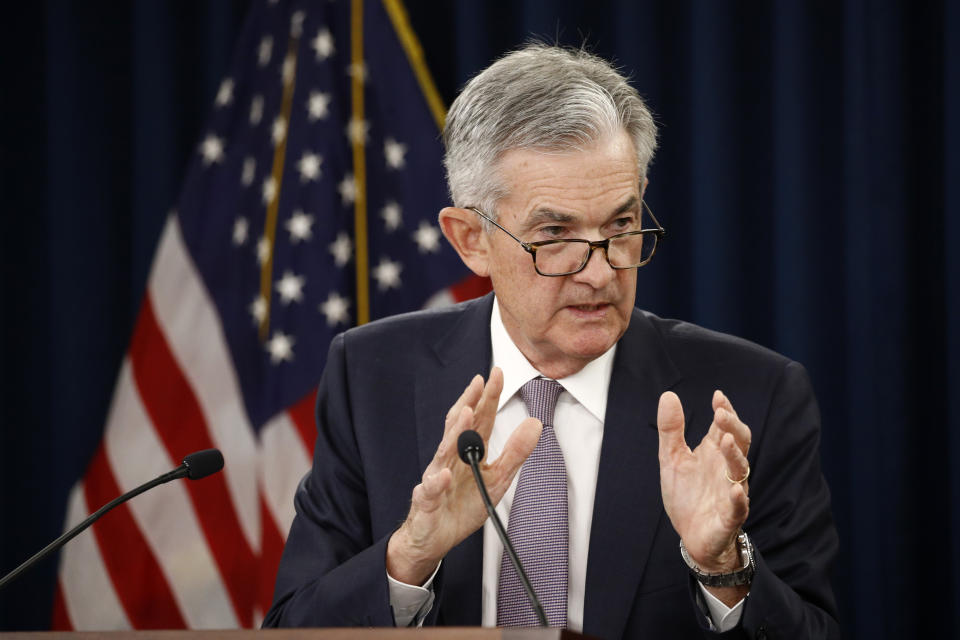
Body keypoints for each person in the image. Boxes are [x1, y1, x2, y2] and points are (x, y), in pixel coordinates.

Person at [263, 44, 840, 638]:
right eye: (555, 235)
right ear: (470, 240)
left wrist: (723, 569)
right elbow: (290, 627)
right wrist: (409, 557)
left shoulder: (753, 397)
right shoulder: (371, 375)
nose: (600, 272)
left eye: (621, 225)